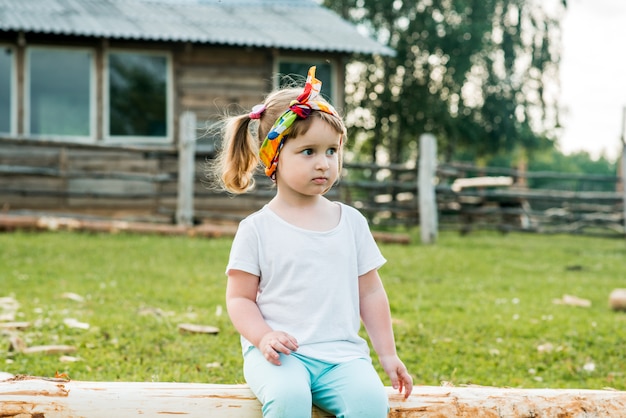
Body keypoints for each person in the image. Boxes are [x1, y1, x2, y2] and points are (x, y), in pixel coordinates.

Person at [214, 66, 413, 418]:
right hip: (279, 356)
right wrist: (263, 337)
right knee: (289, 399)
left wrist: (387, 354)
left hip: (342, 357)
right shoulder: (256, 229)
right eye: (308, 152)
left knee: (370, 404)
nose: (323, 163)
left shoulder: (351, 223)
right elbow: (239, 299)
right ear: (273, 157)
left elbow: (370, 293)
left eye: (331, 152)